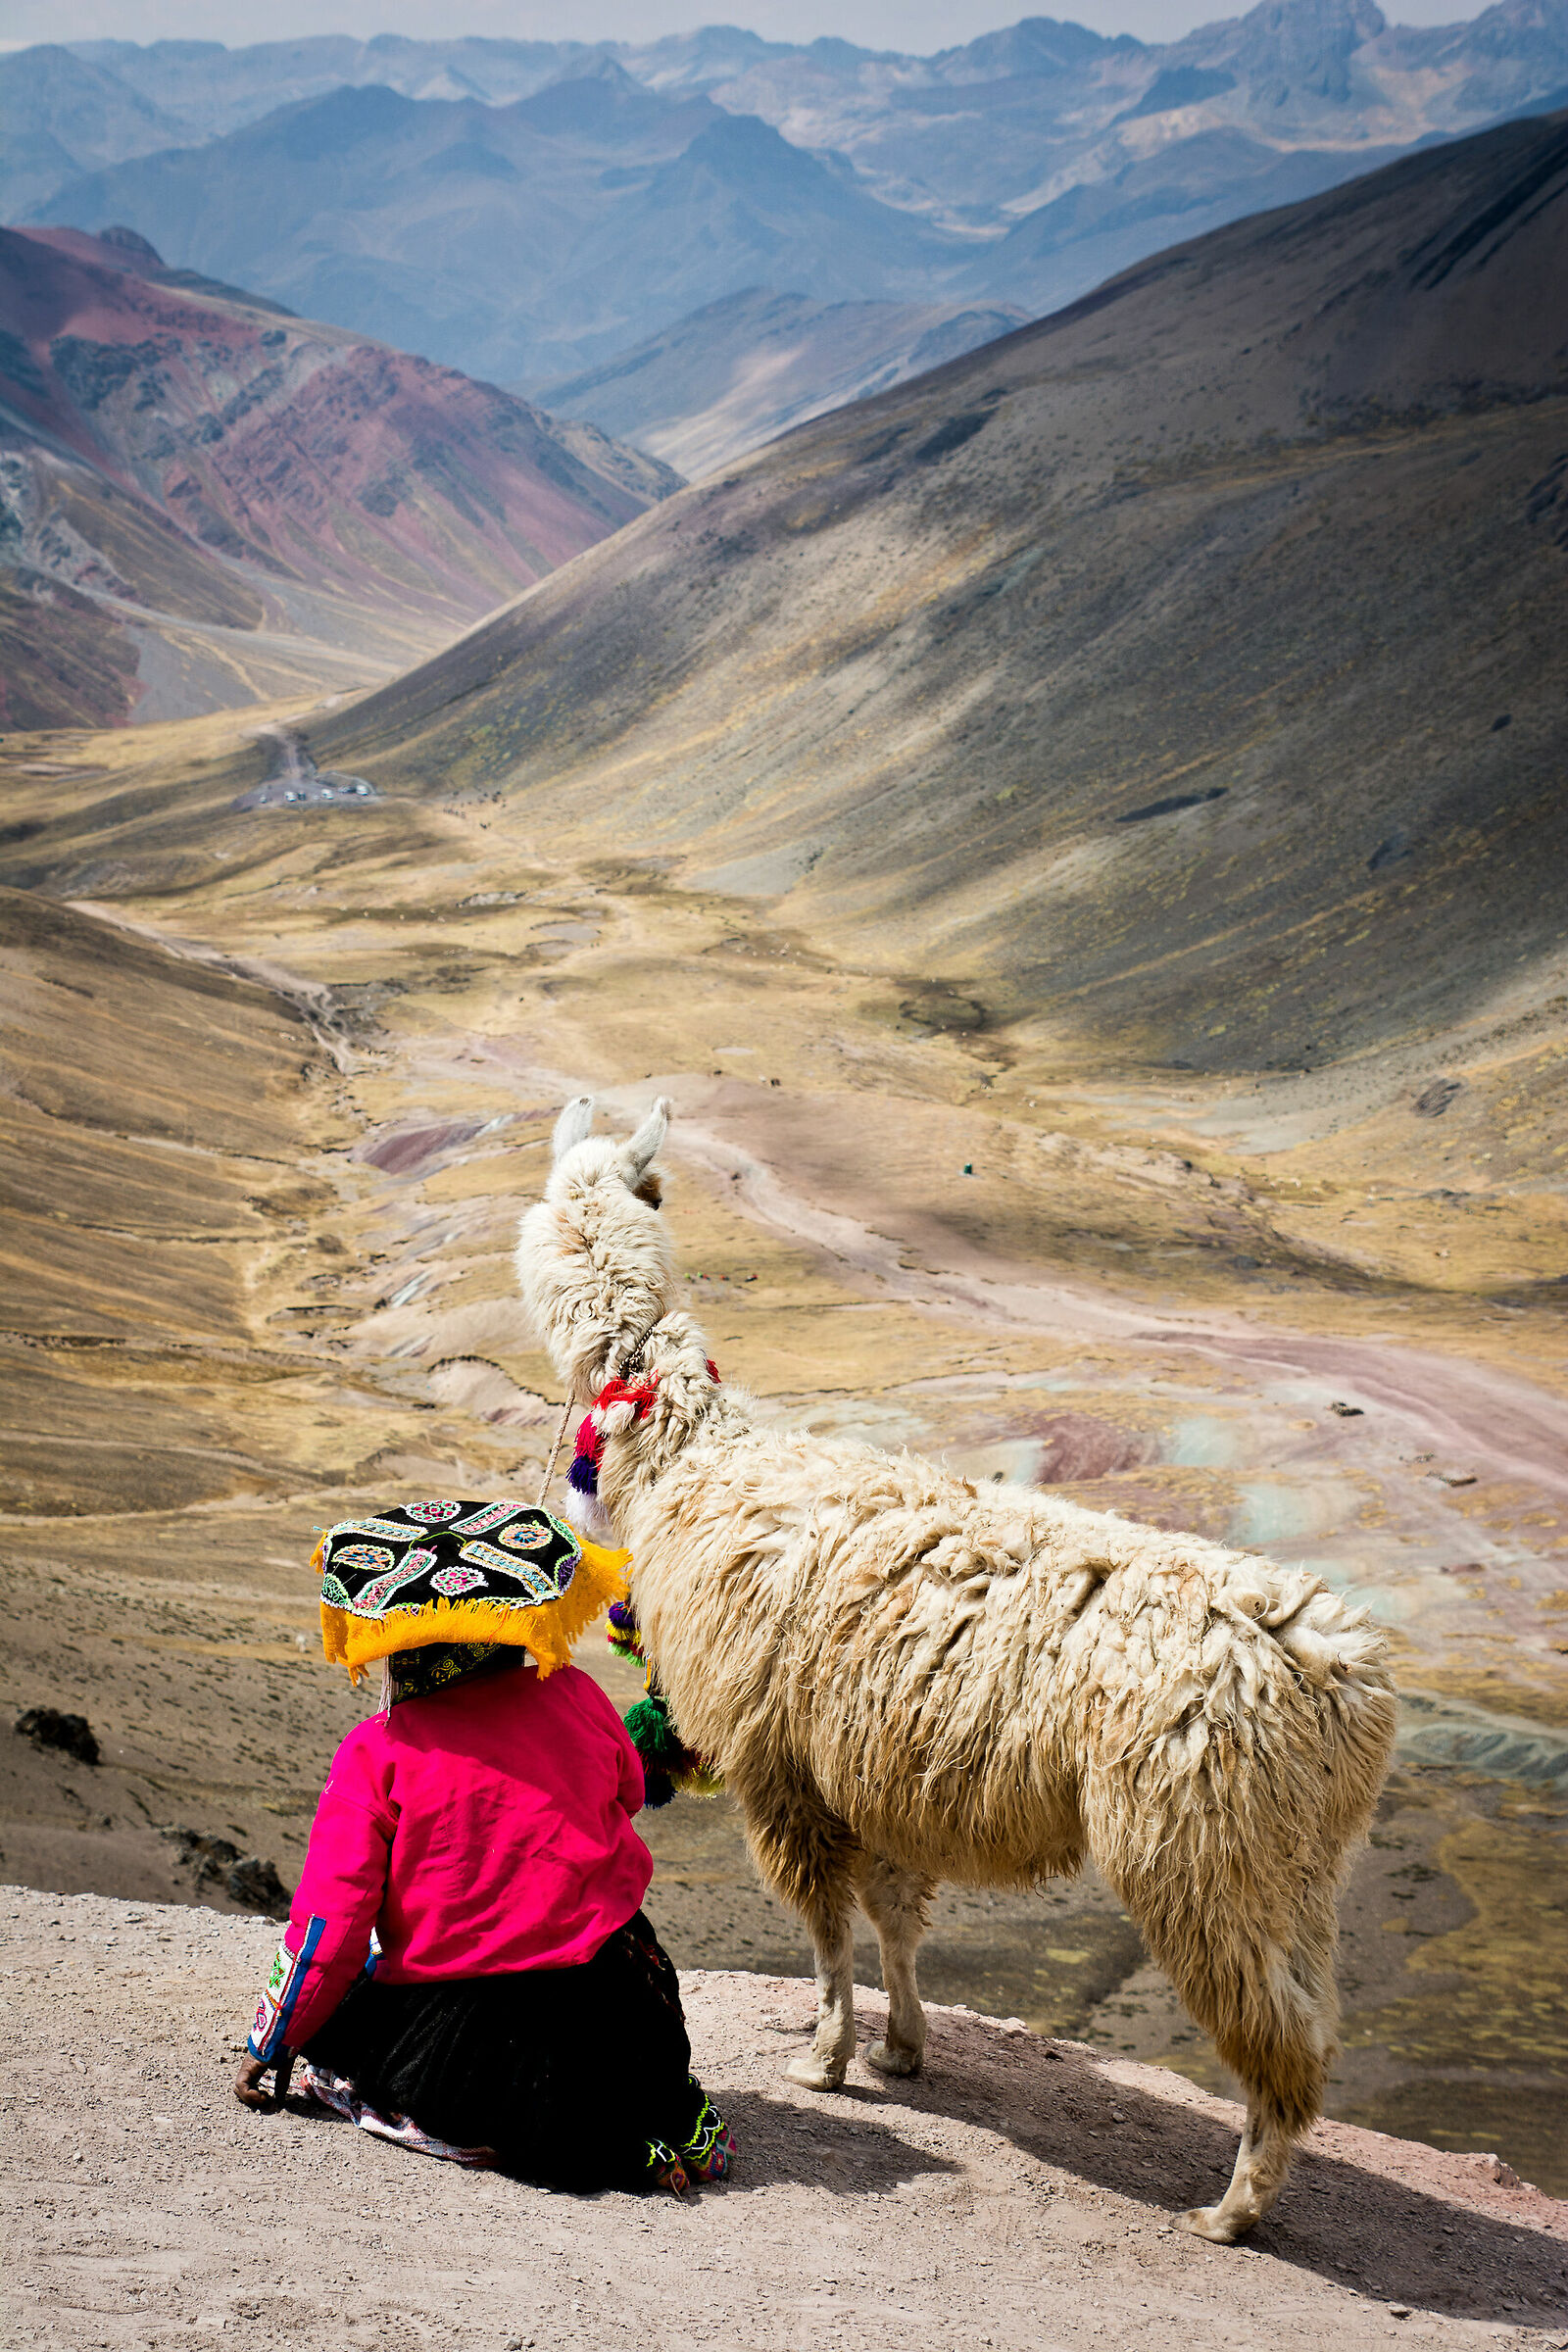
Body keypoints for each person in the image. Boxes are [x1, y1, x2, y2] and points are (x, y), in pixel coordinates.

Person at [234, 1497, 733, 2194]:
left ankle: (596, 2140)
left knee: (343, 2042)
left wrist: (274, 2040)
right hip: (628, 1994)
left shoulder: (375, 1754)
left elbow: (330, 1931)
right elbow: (624, 1792)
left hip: (485, 2034)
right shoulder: (577, 1694)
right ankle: (664, 2116)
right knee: (623, 2047)